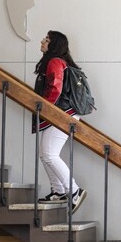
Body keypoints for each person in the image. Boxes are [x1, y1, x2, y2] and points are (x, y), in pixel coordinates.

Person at [33, 30, 86, 214]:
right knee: (45, 153)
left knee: (49, 154)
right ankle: (59, 191)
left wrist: (46, 107)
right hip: (63, 112)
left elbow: (55, 87)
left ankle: (74, 191)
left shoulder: (55, 62)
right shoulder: (58, 61)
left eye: (46, 40)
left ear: (53, 44)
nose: (42, 41)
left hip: (62, 113)